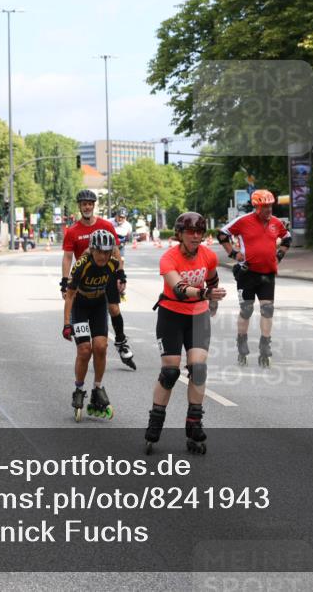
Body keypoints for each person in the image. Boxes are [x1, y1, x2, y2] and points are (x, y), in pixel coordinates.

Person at [144, 212, 226, 454]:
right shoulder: (168, 258)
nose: (196, 236)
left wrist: (212, 301)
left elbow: (212, 278)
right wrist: (204, 294)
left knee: (198, 369)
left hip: (197, 316)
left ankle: (194, 425)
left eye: (200, 232)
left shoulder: (208, 255)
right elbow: (179, 289)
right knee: (170, 373)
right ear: (179, 234)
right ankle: (155, 422)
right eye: (191, 232)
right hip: (171, 314)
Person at [61, 189, 136, 370]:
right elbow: (67, 257)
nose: (87, 207)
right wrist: (65, 281)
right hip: (85, 277)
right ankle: (87, 343)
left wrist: (120, 274)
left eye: (90, 204)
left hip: (106, 273)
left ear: (94, 206)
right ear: (79, 206)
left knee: (114, 308)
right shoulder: (72, 231)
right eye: (84, 204)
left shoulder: (105, 225)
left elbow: (116, 251)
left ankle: (120, 340)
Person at [217, 189, 291, 367]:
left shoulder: (275, 223)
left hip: (267, 274)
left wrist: (279, 256)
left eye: (270, 206)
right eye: (264, 207)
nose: (268, 210)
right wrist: (234, 254)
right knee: (247, 310)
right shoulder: (243, 221)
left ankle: (265, 346)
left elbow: (287, 238)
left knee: (267, 310)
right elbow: (222, 234)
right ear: (256, 207)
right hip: (247, 273)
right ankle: (242, 342)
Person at [62, 229, 121, 422]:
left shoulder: (113, 263)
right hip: (80, 306)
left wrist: (121, 284)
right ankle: (79, 389)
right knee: (85, 350)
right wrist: (66, 324)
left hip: (97, 306)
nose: (103, 256)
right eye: (100, 252)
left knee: (101, 347)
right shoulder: (82, 265)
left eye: (107, 252)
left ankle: (97, 389)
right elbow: (69, 295)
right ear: (92, 250)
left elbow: (116, 281)